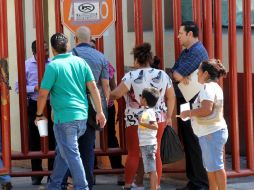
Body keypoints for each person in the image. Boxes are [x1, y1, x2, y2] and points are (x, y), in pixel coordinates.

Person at [35, 33, 106, 189]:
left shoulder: (53, 66)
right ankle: (53, 185)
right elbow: (93, 88)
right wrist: (100, 112)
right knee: (63, 152)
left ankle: (82, 187)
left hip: (64, 118)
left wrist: (39, 114)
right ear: (68, 46)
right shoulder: (81, 62)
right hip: (82, 116)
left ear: (53, 49)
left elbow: (42, 94)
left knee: (71, 154)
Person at [110, 42, 175, 190]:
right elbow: (171, 97)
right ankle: (155, 186)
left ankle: (128, 185)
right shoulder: (163, 75)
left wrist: (105, 91)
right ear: (149, 59)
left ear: (136, 60)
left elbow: (116, 94)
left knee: (133, 153)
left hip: (135, 119)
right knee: (155, 152)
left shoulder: (131, 76)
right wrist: (169, 116)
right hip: (158, 119)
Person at [63, 26, 109, 190]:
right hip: (92, 109)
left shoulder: (69, 57)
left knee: (70, 147)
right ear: (90, 39)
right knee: (88, 149)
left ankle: (68, 182)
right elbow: (105, 87)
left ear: (75, 39)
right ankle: (87, 183)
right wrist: (101, 110)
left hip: (72, 108)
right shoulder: (101, 57)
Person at [171, 21, 209, 190]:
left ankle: (200, 182)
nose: (178, 36)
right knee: (188, 140)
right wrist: (178, 75)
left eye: (181, 33)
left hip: (192, 101)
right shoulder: (187, 51)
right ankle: (194, 181)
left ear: (190, 34)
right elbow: (174, 71)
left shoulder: (197, 52)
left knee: (193, 141)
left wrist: (179, 75)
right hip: (185, 100)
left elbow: (178, 73)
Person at [180, 59, 228, 190]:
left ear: (205, 74)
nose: (196, 75)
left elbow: (206, 109)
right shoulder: (214, 87)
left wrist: (188, 113)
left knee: (216, 167)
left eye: (198, 72)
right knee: (211, 168)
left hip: (211, 133)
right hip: (211, 133)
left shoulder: (207, 88)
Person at [15, 40, 55, 185]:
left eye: (46, 50)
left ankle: (52, 173)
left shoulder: (52, 63)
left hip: (51, 105)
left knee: (52, 138)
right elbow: (18, 87)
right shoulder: (26, 65)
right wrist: (34, 88)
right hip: (35, 104)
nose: (46, 53)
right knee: (36, 138)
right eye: (42, 50)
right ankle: (36, 173)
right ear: (34, 52)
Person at [90, 39, 125, 186]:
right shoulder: (83, 62)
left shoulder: (104, 62)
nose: (90, 50)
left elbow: (112, 85)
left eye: (93, 47)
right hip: (89, 105)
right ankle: (91, 172)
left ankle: (118, 171)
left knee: (110, 137)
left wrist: (107, 101)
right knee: (88, 139)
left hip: (102, 104)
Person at [138, 87, 160, 190]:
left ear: (144, 100)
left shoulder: (148, 112)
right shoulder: (147, 111)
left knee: (152, 169)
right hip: (146, 144)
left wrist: (142, 122)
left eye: (141, 97)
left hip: (148, 144)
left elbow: (155, 125)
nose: (140, 99)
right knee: (151, 169)